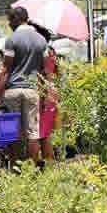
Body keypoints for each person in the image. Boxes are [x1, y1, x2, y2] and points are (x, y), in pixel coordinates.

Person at [0, 7, 48, 162]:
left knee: (12, 130)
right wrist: (44, 95)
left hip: (13, 91)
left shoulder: (12, 39)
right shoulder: (41, 40)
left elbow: (6, 70)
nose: (9, 24)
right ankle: (32, 170)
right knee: (32, 132)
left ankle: (16, 166)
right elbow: (44, 71)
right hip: (32, 90)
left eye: (10, 20)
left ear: (16, 20)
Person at [31, 23, 61, 163]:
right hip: (52, 93)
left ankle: (38, 165)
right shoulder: (52, 52)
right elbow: (58, 74)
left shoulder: (39, 54)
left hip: (41, 93)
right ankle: (49, 164)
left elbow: (42, 75)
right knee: (46, 132)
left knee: (37, 133)